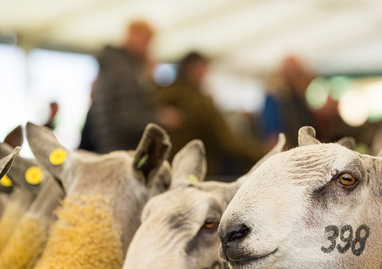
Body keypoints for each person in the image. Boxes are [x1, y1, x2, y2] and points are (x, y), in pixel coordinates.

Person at [156, 52, 262, 176]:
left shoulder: (160, 94)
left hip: (164, 170)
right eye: (205, 68)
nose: (207, 74)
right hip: (195, 173)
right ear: (194, 69)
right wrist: (262, 155)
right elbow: (227, 141)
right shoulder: (196, 100)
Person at [82, 20, 167, 153]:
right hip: (120, 147)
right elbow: (129, 118)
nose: (148, 47)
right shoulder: (122, 70)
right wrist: (160, 118)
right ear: (133, 37)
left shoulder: (114, 65)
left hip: (109, 144)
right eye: (146, 41)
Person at [260, 56, 315, 149]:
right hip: (288, 152)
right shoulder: (275, 97)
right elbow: (274, 136)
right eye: (296, 72)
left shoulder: (297, 96)